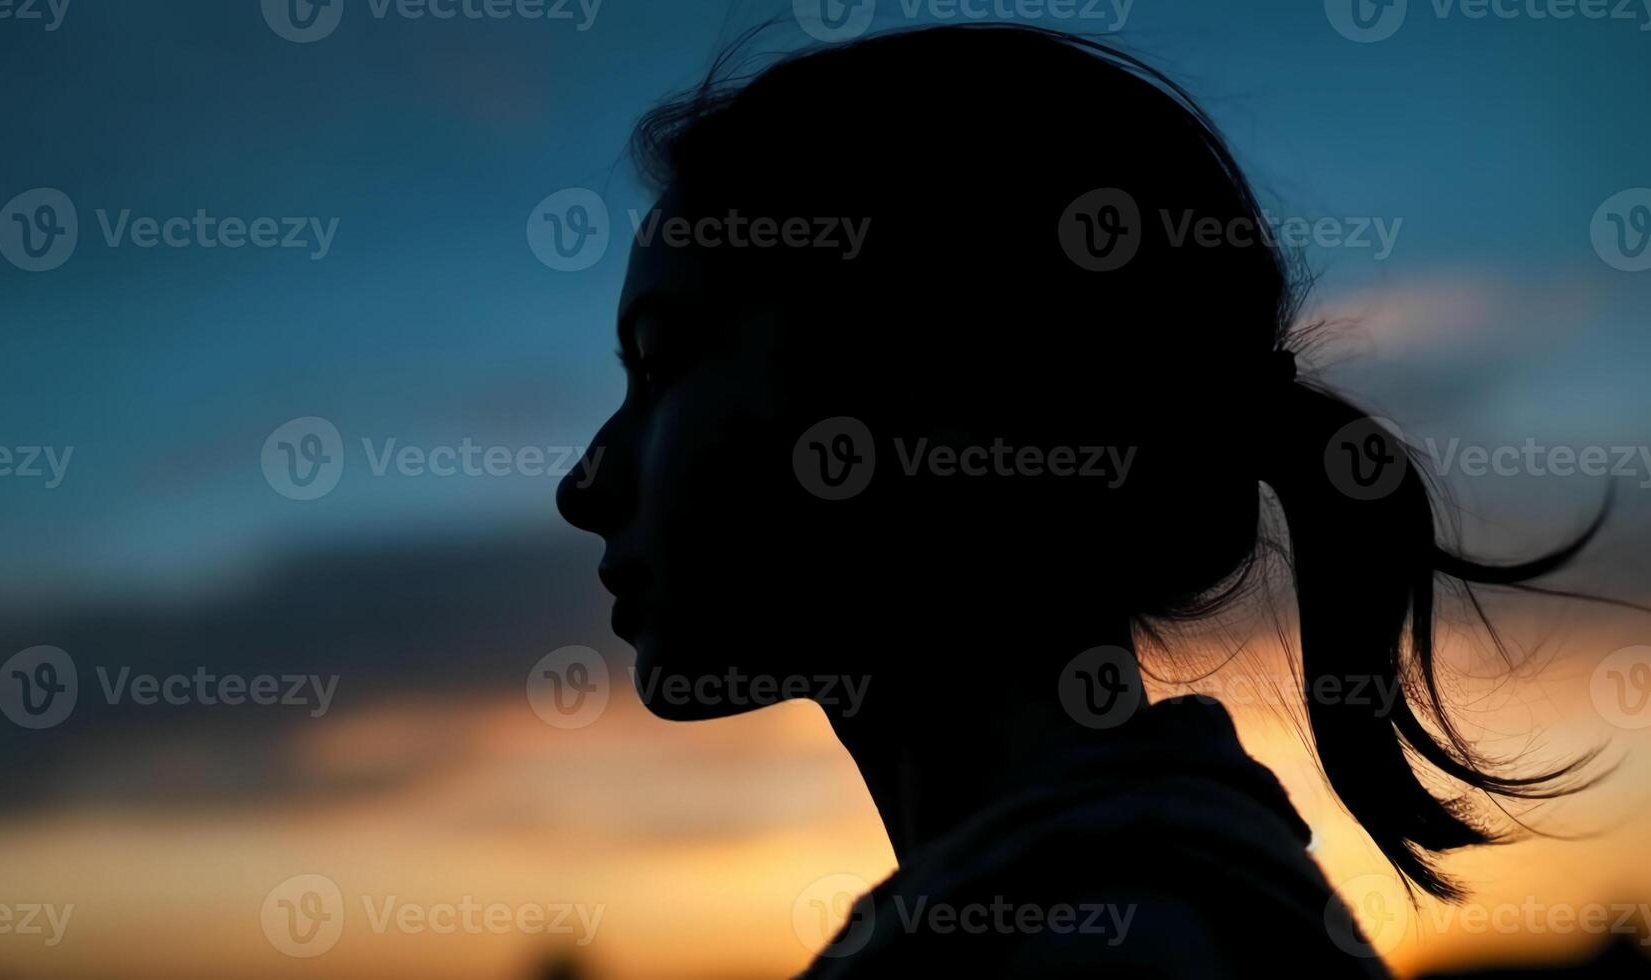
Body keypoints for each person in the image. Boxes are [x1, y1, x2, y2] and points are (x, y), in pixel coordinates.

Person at [556, 24, 1607, 976]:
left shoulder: (1114, 945)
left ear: (945, 386)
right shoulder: (1103, 906)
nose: (584, 482)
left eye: (660, 364)